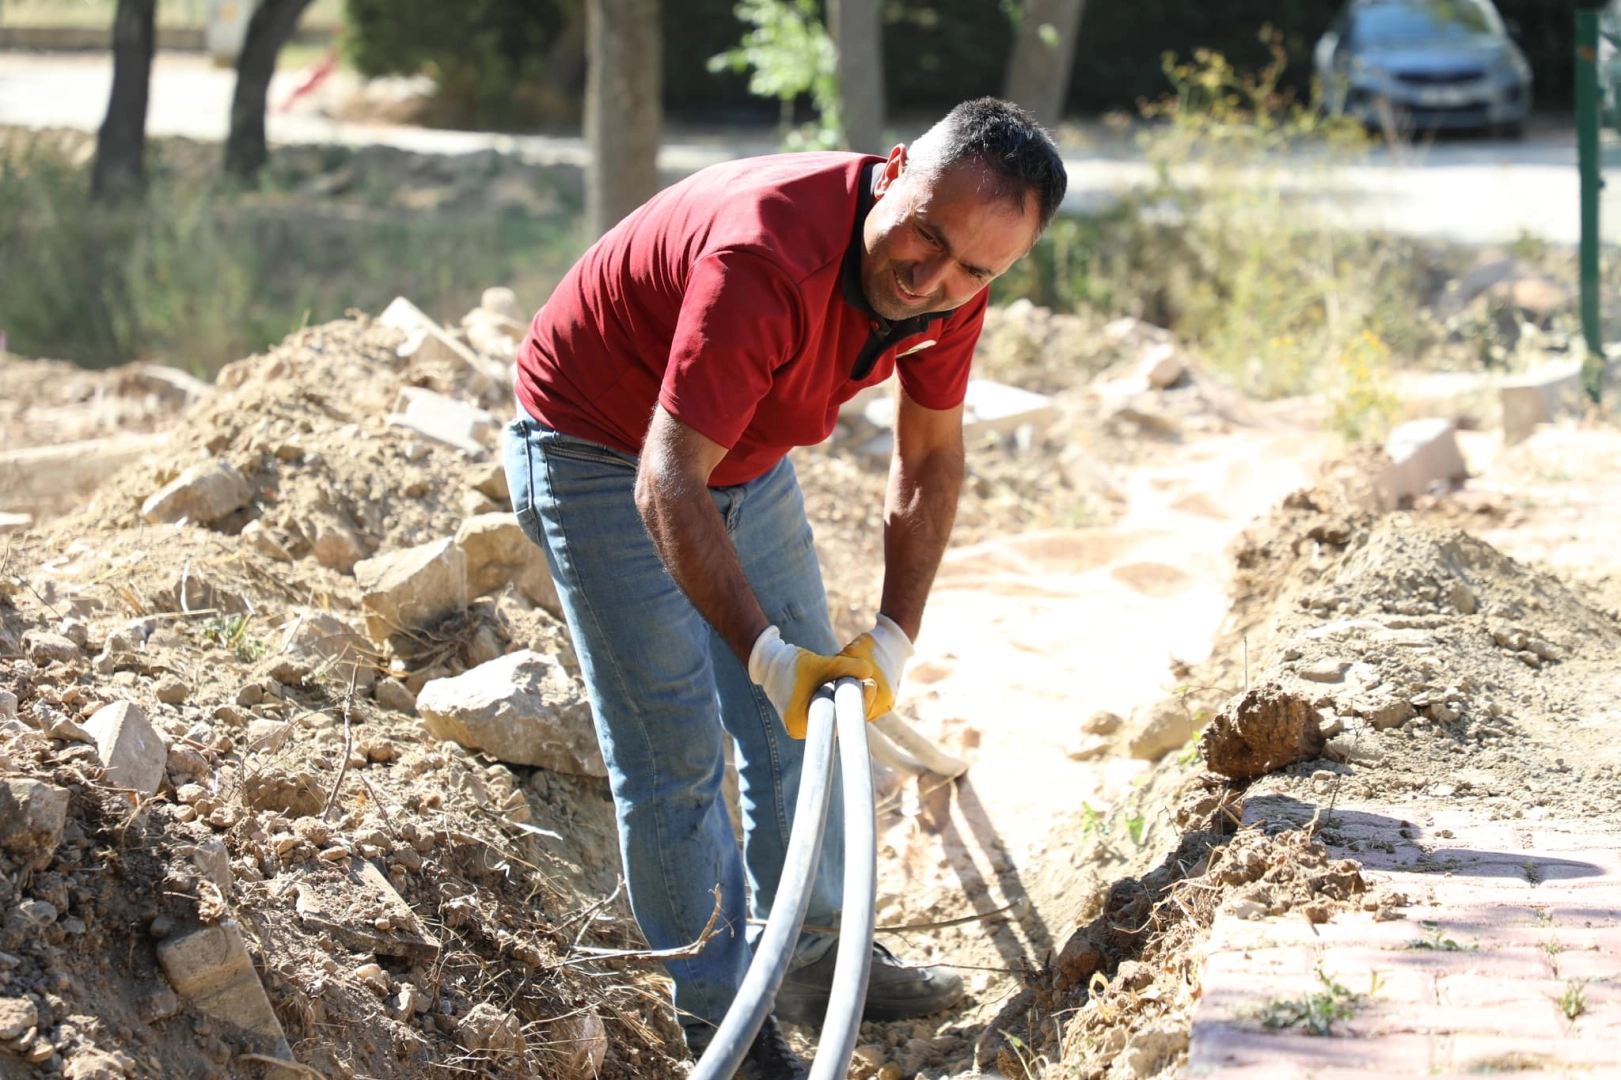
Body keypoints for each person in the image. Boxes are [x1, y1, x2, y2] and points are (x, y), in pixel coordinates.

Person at [503, 97, 1067, 1079]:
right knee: (674, 752)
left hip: (742, 451)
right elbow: (663, 477)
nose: (934, 279)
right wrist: (764, 656)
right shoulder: (766, 255)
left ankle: (807, 963)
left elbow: (930, 455)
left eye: (975, 269)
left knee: (817, 718)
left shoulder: (955, 287)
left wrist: (892, 636)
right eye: (925, 238)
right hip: (597, 443)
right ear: (893, 172)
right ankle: (720, 1017)